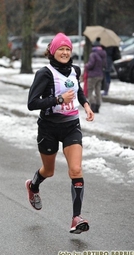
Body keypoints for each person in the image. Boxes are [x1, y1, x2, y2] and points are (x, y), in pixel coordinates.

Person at [26, 33, 94, 234]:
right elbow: (32, 103)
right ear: (53, 51)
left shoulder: (75, 70)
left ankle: (76, 218)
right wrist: (58, 100)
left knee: (76, 169)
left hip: (71, 126)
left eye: (68, 49)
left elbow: (78, 90)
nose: (65, 53)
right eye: (61, 49)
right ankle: (33, 185)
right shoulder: (44, 73)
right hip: (48, 128)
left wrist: (86, 105)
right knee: (49, 171)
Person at [85, 37, 107, 113]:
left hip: (92, 75)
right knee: (98, 91)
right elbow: (104, 64)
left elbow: (90, 65)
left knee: (90, 91)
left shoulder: (93, 54)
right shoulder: (103, 54)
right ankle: (98, 105)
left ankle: (93, 105)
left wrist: (86, 65)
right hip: (100, 75)